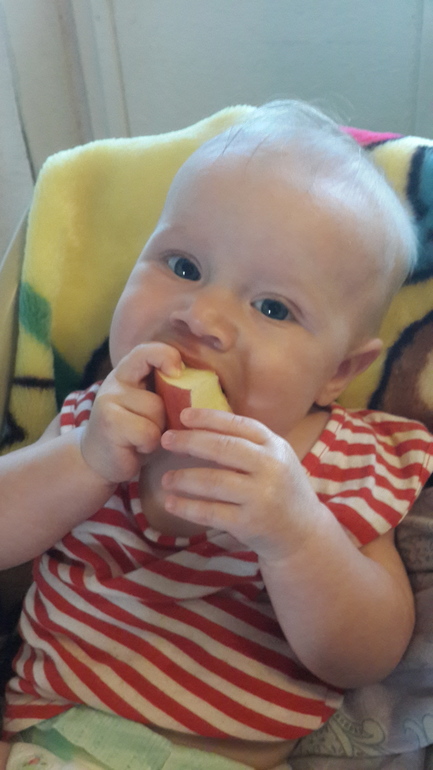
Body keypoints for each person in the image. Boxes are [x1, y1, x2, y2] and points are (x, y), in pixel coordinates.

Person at [0, 100, 432, 770]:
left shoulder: (347, 463)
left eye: (272, 307)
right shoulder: (93, 418)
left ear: (338, 373)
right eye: (182, 265)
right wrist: (82, 463)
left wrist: (296, 537)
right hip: (52, 735)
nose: (201, 316)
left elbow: (365, 659)